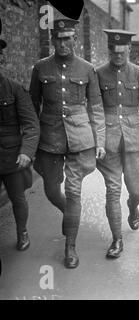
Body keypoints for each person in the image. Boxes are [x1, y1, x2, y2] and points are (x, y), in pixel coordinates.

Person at [29, 19, 106, 268]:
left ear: (75, 39)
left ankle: (70, 246)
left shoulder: (87, 69)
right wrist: (29, 143)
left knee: (74, 192)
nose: (64, 43)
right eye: (59, 39)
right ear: (53, 40)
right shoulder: (40, 68)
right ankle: (69, 214)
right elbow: (32, 107)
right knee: (52, 191)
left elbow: (96, 108)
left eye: (68, 38)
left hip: (79, 139)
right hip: (50, 139)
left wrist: (100, 140)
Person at [96, 29, 139, 259]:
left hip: (134, 140)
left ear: (130, 50)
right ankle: (116, 239)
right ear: (109, 50)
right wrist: (97, 139)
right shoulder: (99, 73)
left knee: (136, 190)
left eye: (122, 52)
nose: (118, 56)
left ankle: (133, 206)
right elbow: (93, 107)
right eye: (114, 52)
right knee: (112, 190)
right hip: (109, 141)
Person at [0, 19, 40, 251]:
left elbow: (32, 125)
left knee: (17, 198)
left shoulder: (14, 89)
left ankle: (22, 231)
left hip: (12, 156)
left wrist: (26, 152)